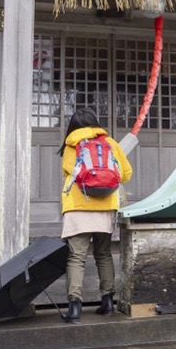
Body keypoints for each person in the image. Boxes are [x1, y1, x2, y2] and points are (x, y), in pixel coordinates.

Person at [58, 108, 132, 324]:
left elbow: (67, 171)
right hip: (106, 206)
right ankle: (108, 302)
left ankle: (74, 309)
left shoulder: (71, 144)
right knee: (104, 254)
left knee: (76, 257)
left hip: (77, 206)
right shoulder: (111, 143)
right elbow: (126, 173)